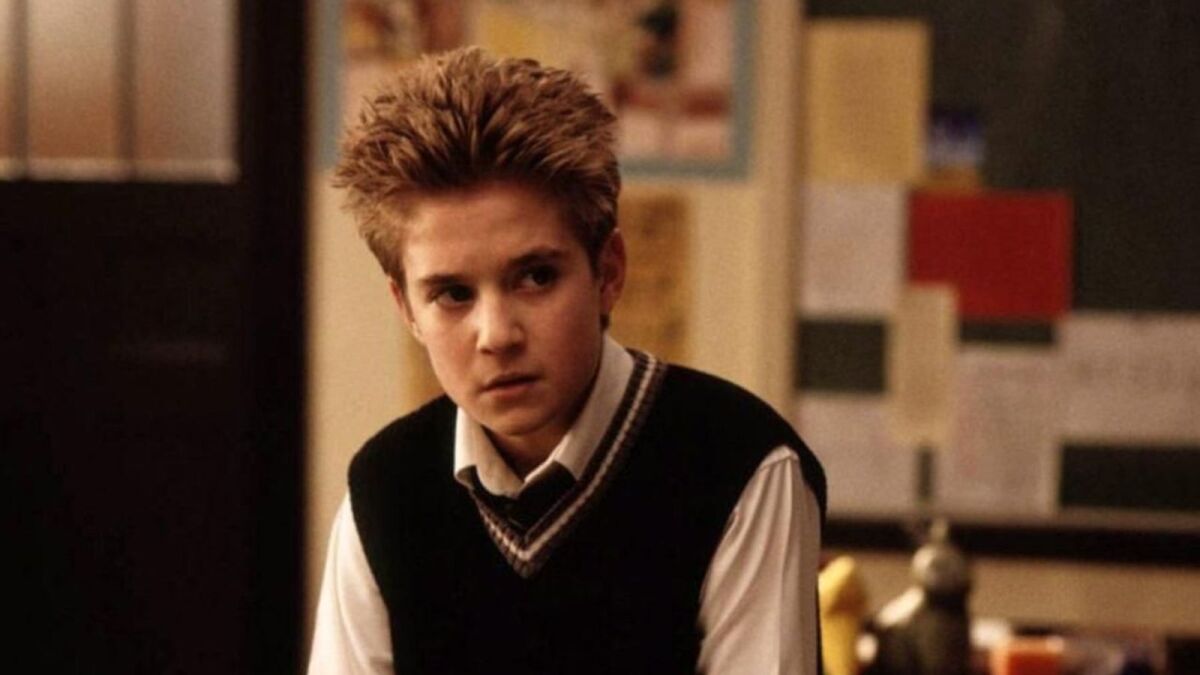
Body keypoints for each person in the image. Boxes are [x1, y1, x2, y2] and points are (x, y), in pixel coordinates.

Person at [309, 46, 827, 675]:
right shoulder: (386, 490)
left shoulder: (739, 466)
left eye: (535, 277)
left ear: (607, 273)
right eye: (453, 294)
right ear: (407, 309)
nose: (496, 335)